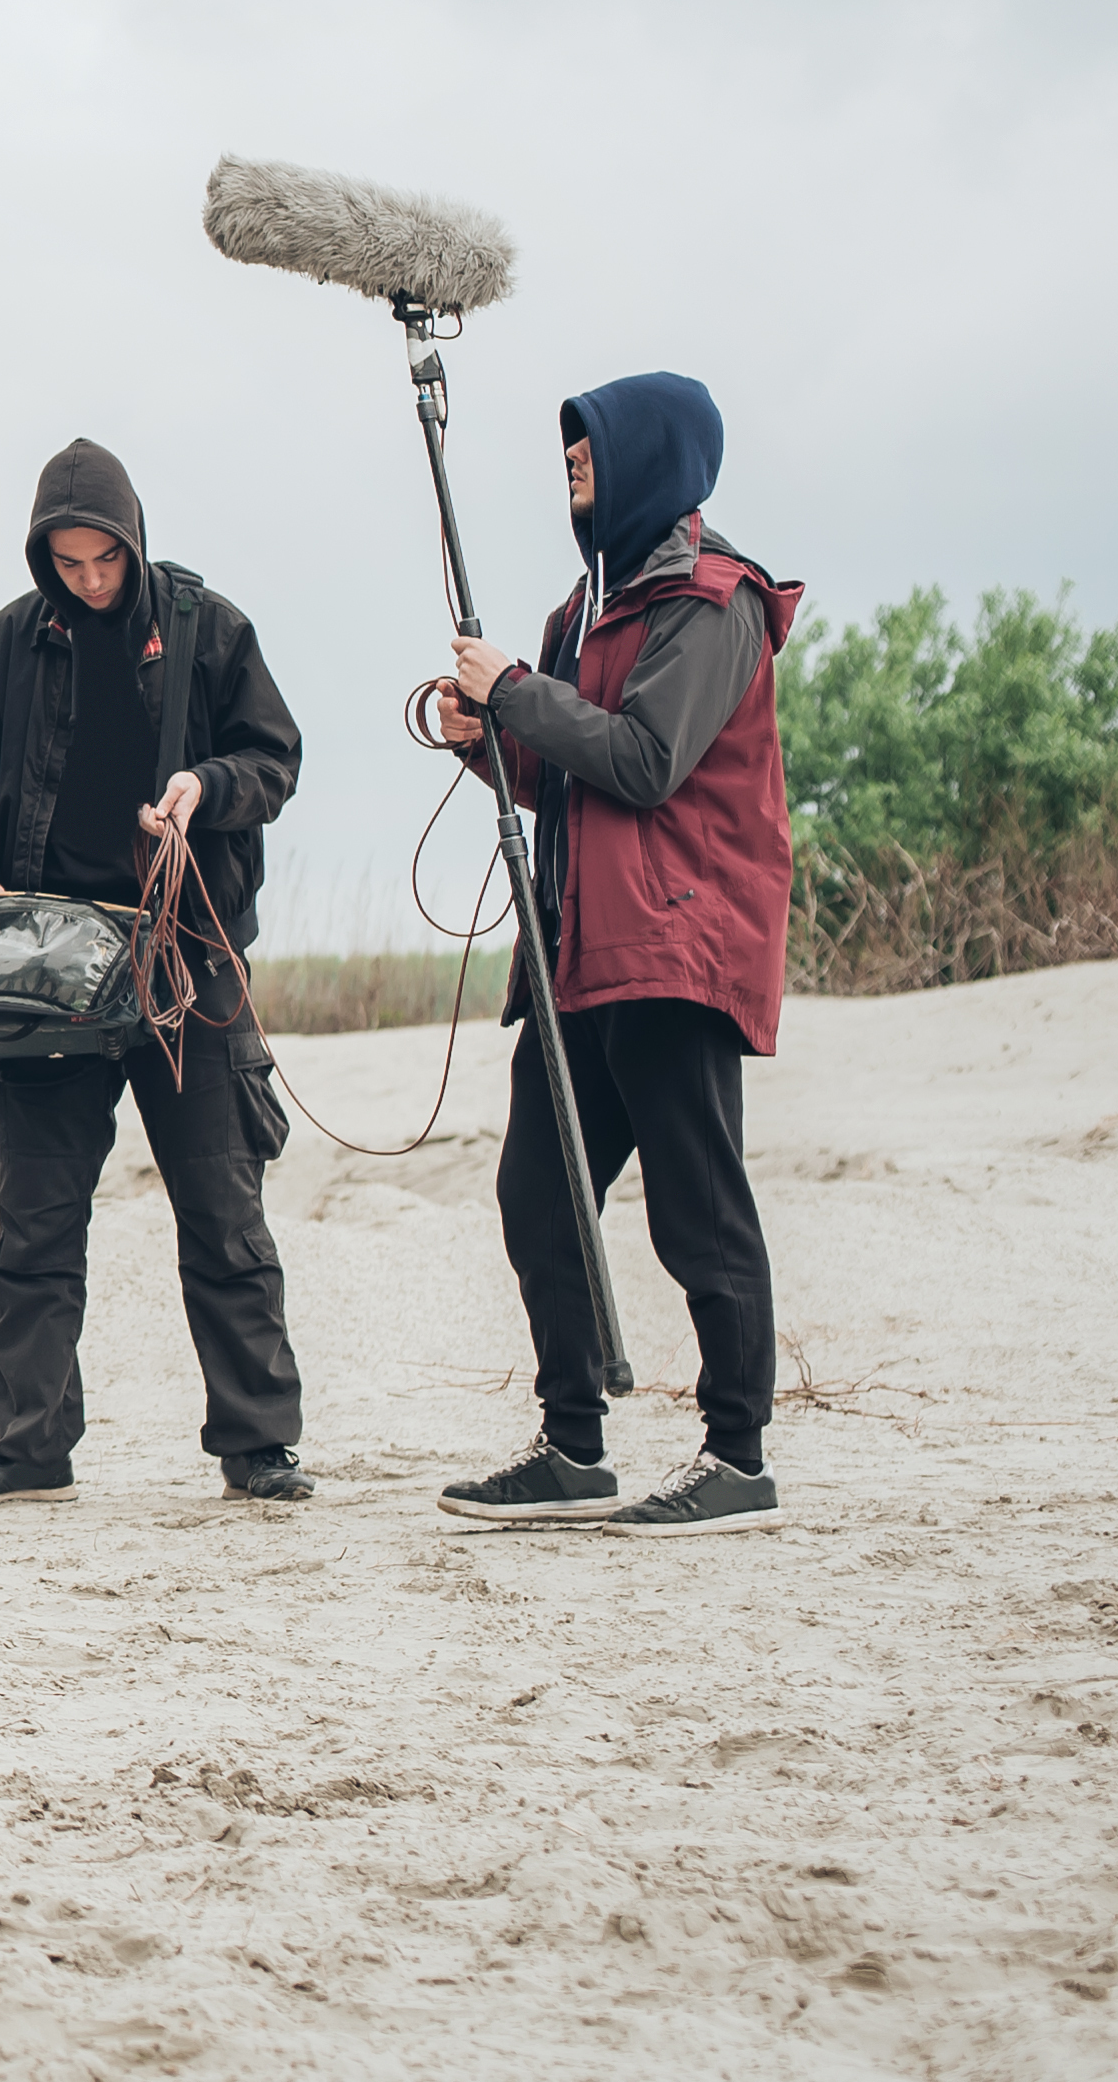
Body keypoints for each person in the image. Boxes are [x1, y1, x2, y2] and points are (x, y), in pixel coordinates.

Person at [432, 373, 802, 1537]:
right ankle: (573, 1445)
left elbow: (645, 760)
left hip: (677, 944)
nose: (575, 477)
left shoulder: (715, 600)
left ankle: (737, 1456)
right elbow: (562, 777)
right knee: (538, 1196)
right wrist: (482, 741)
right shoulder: (577, 614)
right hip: (575, 950)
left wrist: (523, 694)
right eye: (569, 461)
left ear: (651, 461)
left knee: (698, 1205)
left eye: (590, 458)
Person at [0, 440, 311, 1510]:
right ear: (43, 556)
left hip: (189, 962)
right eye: (67, 563)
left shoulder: (211, 628)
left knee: (224, 1211)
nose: (88, 579)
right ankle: (28, 1447)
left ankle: (259, 1445)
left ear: (133, 543)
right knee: (36, 1218)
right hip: (51, 973)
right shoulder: (5, 643)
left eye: (104, 560)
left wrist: (207, 783)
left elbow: (274, 760)